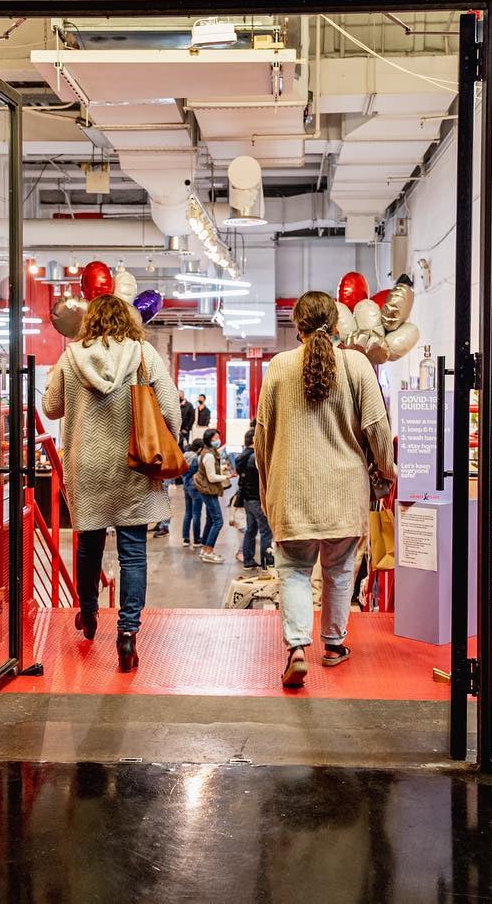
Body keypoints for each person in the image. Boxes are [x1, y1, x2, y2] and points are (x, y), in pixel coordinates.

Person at [255, 290, 396, 688]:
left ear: (296, 326)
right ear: (338, 324)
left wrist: (268, 488)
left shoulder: (279, 367)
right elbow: (377, 429)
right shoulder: (357, 365)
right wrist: (389, 470)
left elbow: (262, 437)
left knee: (295, 571)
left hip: (291, 490)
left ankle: (297, 649)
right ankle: (333, 646)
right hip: (344, 492)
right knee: (338, 571)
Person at [42, 293, 178, 673]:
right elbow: (169, 407)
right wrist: (169, 442)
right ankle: (128, 633)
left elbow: (51, 407)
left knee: (89, 545)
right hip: (133, 464)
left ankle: (87, 614)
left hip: (87, 466)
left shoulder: (71, 357)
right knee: (133, 551)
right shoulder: (143, 355)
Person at [237, 427, 273, 574]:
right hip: (257, 500)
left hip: (247, 499)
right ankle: (266, 563)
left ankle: (248, 560)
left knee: (250, 530)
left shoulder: (243, 456)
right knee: (265, 532)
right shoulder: (255, 457)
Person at [193, 427, 228, 564]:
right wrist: (226, 476)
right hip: (208, 490)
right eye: (215, 438)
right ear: (209, 440)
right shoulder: (208, 455)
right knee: (218, 521)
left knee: (210, 520)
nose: (217, 440)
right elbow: (212, 477)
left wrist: (222, 469)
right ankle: (209, 550)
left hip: (208, 490)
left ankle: (204, 549)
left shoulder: (210, 452)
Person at [181, 437, 206, 548]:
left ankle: (186, 539)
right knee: (197, 514)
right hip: (195, 487)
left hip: (186, 485)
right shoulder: (196, 458)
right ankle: (196, 540)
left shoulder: (184, 455)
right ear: (200, 448)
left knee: (188, 513)